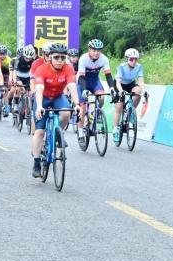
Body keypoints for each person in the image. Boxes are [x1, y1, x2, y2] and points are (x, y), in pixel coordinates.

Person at [31, 43, 79, 178]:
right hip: (44, 98)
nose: (59, 61)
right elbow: (39, 90)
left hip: (58, 96)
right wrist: (39, 106)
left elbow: (72, 87)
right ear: (50, 57)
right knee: (39, 132)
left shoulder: (68, 69)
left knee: (66, 113)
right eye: (56, 57)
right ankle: (36, 163)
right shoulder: (41, 69)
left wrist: (77, 104)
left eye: (63, 58)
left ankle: (59, 133)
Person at [77, 39, 115, 142]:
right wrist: (84, 90)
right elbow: (81, 78)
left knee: (101, 96)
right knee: (82, 108)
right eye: (94, 50)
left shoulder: (104, 59)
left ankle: (97, 112)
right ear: (89, 50)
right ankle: (80, 133)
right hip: (82, 82)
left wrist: (112, 88)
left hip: (94, 81)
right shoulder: (83, 59)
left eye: (98, 50)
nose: (96, 53)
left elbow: (108, 75)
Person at [113, 48, 145, 144]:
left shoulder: (139, 67)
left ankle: (131, 110)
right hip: (119, 85)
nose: (134, 61)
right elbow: (118, 81)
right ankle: (115, 130)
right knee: (119, 106)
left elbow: (140, 80)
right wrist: (121, 91)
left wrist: (144, 91)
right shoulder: (121, 67)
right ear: (127, 59)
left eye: (136, 59)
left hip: (130, 84)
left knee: (138, 91)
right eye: (131, 59)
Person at [9, 45, 36, 113]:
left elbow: (35, 73)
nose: (27, 60)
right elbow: (14, 71)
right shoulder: (18, 60)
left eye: (29, 58)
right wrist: (15, 81)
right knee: (19, 86)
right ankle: (16, 105)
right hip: (18, 76)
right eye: (26, 57)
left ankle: (29, 108)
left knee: (30, 93)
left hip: (27, 77)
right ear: (23, 55)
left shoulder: (33, 61)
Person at [0, 45, 11, 116]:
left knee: (6, 90)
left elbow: (11, 71)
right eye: (0, 54)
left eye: (4, 54)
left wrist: (10, 80)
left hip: (6, 74)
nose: (2, 56)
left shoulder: (9, 60)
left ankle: (6, 107)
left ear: (6, 54)